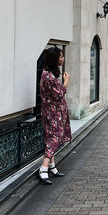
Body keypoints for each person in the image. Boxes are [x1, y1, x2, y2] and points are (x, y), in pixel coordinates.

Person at [38, 46, 71, 185]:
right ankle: (43, 168)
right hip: (52, 113)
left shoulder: (49, 74)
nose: (63, 58)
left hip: (53, 112)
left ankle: (52, 166)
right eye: (61, 56)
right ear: (54, 59)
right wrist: (66, 82)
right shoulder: (48, 76)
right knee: (54, 138)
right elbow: (58, 95)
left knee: (51, 138)